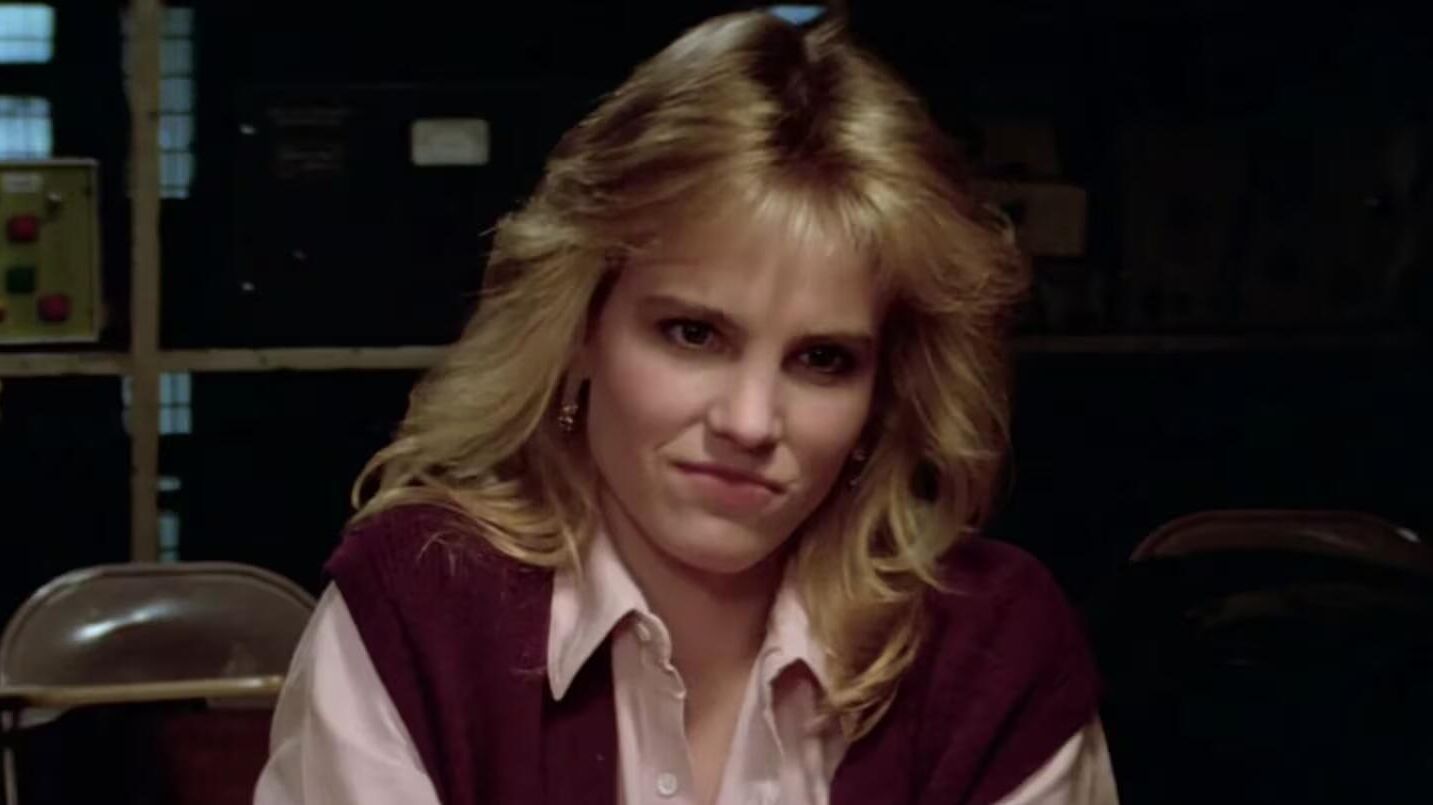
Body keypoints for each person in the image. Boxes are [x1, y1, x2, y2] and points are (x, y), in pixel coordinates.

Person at [254, 10, 1117, 805]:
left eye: (822, 359)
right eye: (693, 333)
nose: (749, 421)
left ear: (884, 391)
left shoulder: (992, 650)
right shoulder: (419, 609)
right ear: (579, 330)